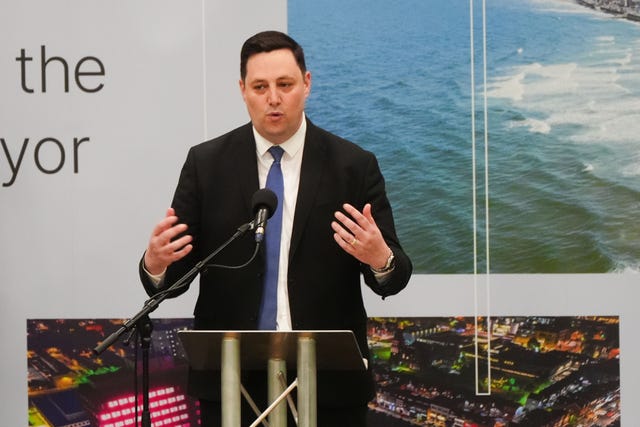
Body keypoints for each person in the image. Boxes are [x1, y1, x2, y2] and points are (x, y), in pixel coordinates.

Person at [139, 30, 412, 427]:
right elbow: (175, 278)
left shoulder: (352, 166)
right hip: (231, 382)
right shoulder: (206, 165)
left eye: (285, 85)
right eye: (260, 86)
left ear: (307, 84)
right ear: (242, 90)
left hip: (330, 384)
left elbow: (394, 277)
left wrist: (380, 258)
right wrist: (156, 264)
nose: (273, 98)